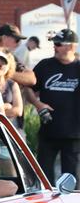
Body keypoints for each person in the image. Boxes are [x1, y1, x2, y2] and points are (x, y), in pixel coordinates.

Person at [30, 28, 80, 181]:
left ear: (71, 47)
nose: (55, 47)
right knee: (43, 178)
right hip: (48, 131)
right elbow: (29, 88)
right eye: (54, 44)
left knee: (71, 180)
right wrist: (38, 104)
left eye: (58, 44)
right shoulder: (45, 65)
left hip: (74, 134)